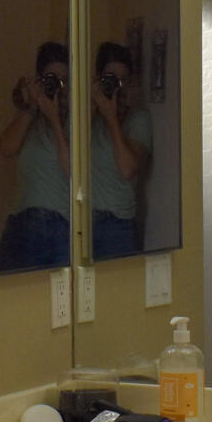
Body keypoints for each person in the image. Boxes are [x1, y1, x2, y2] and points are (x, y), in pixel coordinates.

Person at [0, 41, 72, 270]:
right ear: (39, 79)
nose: (57, 86)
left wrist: (56, 119)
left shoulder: (76, 121)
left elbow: (73, 172)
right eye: (51, 79)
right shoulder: (29, 117)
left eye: (62, 80)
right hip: (21, 223)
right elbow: (6, 148)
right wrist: (31, 107)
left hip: (59, 226)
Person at [88, 41, 154, 260]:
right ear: (98, 79)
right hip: (83, 222)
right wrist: (92, 104)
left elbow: (127, 169)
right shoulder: (89, 119)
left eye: (122, 80)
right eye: (110, 78)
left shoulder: (138, 119)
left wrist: (111, 116)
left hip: (117, 226)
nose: (117, 86)